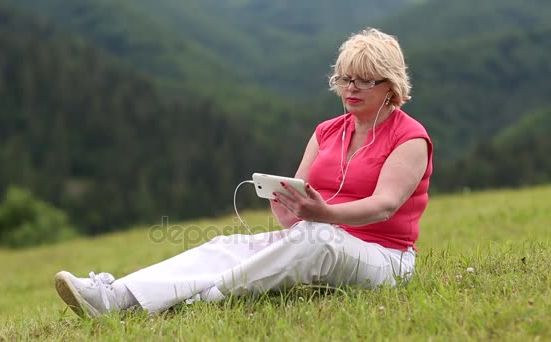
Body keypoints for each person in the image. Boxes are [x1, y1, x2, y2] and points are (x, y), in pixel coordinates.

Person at [54, 27, 433, 318]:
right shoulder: (327, 131)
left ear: (391, 85)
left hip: (386, 259)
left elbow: (385, 205)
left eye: (365, 80)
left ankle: (198, 298)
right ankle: (114, 296)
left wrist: (323, 215)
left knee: (317, 238)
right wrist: (284, 204)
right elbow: (298, 201)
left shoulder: (409, 137)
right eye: (346, 78)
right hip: (317, 237)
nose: (351, 88)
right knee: (227, 246)